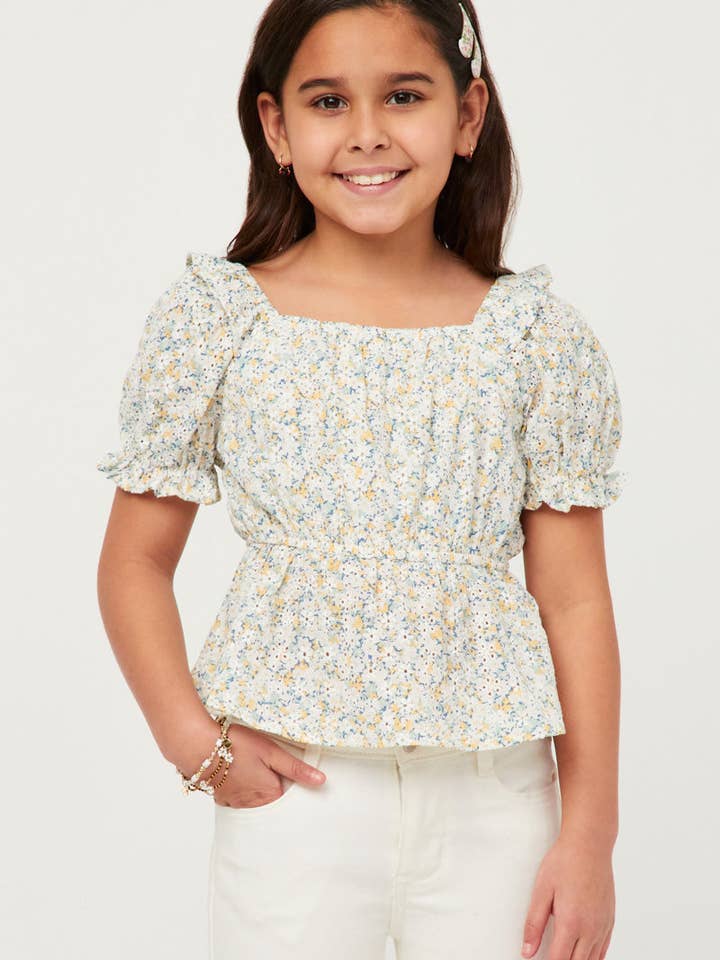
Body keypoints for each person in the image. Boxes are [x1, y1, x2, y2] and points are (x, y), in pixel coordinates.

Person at [96, 2, 629, 958]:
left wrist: (590, 837)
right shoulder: (219, 320)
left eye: (406, 96)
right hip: (297, 796)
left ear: (468, 116)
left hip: (497, 799)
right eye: (329, 101)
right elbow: (134, 562)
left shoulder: (535, 340)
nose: (369, 133)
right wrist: (195, 744)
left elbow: (575, 599)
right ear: (276, 127)